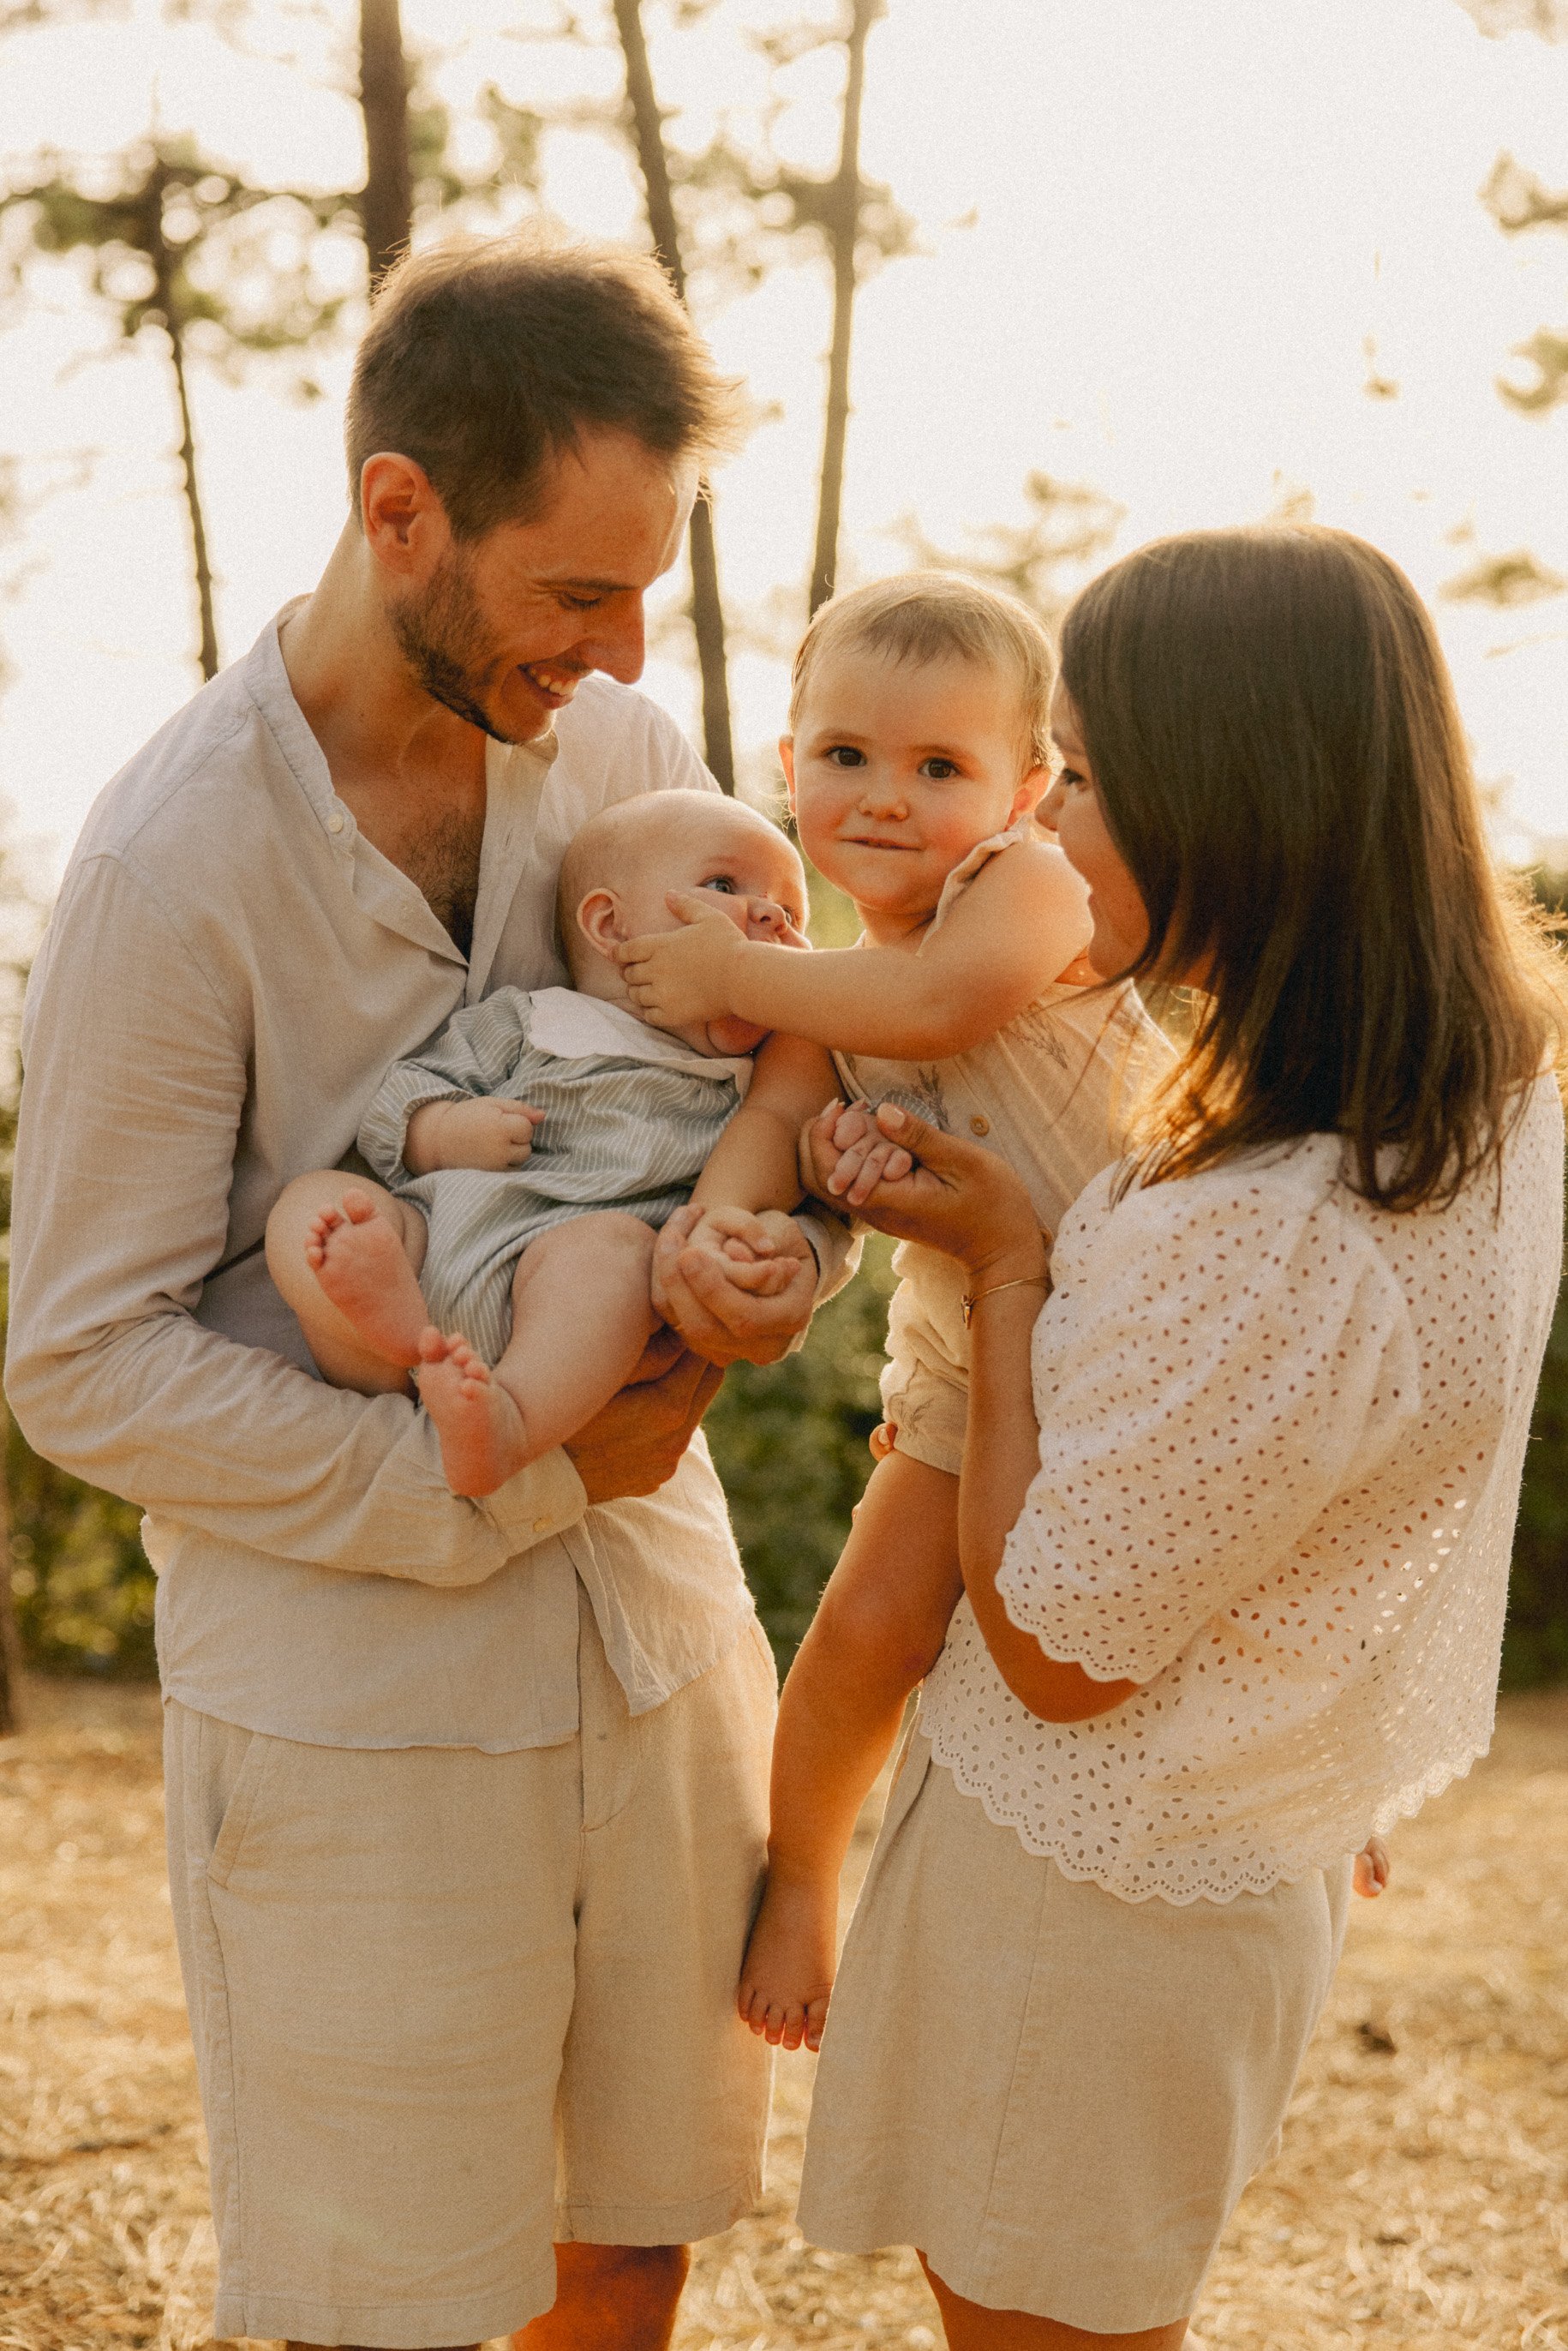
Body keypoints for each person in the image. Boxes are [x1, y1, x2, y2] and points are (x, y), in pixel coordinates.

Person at [6, 230, 850, 2351]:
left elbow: (753, 1078)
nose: (625, 640)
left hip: (649, 1643)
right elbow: (81, 1360)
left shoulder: (622, 740)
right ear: (401, 511)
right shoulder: (166, 864)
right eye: (574, 587)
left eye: (643, 580)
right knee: (376, 2299)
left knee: (629, 2234)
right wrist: (495, 1482)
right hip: (352, 1704)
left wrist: (773, 1275)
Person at [789, 525, 1565, 2350]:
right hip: (1206, 1847)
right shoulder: (1490, 1100)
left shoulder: (1277, 1225)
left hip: (1092, 1900)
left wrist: (1000, 1265)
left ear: (1238, 796)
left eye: (1088, 772)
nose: (1042, 823)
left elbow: (1059, 1653)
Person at [613, 573, 1163, 2051]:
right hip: (965, 1354)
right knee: (868, 1620)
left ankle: (1325, 1783)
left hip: (1151, 1318)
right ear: (786, 763)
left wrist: (730, 963)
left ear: (1025, 787)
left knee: (1209, 1590)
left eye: (940, 767)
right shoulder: (816, 993)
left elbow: (941, 1006)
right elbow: (771, 1133)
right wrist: (720, 1237)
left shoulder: (1026, 884)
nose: (884, 796)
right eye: (847, 754)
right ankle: (804, 1873)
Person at [264, 791, 811, 1497]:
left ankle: (508, 1422)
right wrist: (443, 1130)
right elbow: (400, 1096)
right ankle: (384, 1339)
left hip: (559, 1314)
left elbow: (791, 1190)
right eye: (725, 886)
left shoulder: (750, 1090)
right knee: (314, 1207)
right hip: (428, 1243)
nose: (771, 916)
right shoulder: (533, 1018)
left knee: (615, 1255)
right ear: (609, 925)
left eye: (793, 917)